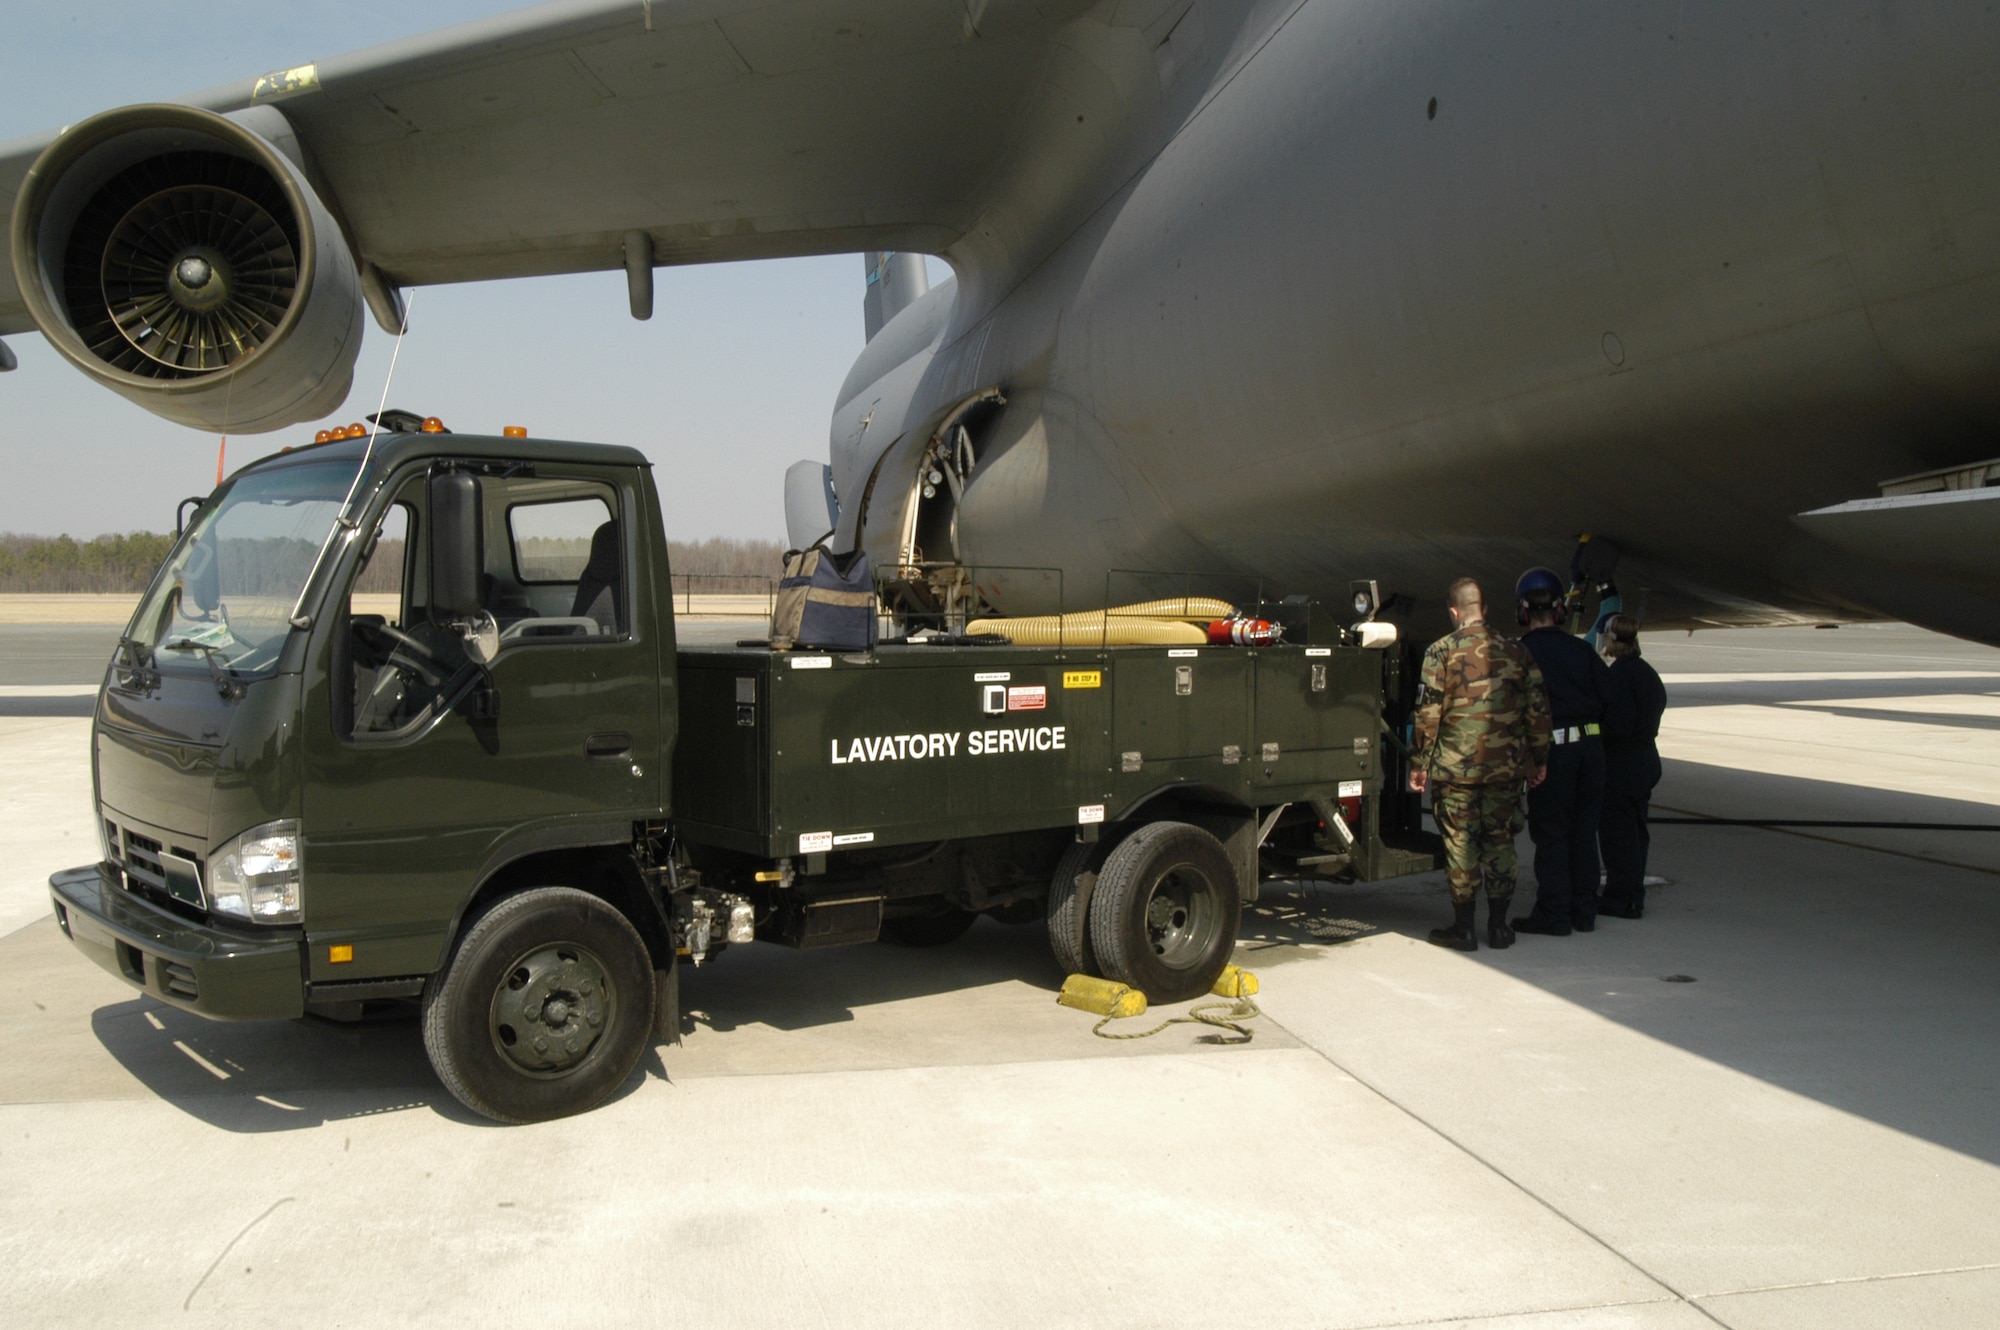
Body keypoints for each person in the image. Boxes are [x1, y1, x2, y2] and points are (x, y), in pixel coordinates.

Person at [1409, 578, 1552, 951]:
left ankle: (1465, 929)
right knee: (1501, 845)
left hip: (1455, 773)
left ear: (1453, 612)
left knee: (1460, 847)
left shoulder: (1441, 651)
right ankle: (1500, 928)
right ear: (1484, 610)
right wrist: (1539, 759)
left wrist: (1419, 763)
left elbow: (1428, 713)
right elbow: (1538, 711)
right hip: (1504, 770)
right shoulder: (1516, 651)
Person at [1512, 567, 1618, 936]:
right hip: (1591, 750)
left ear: (1523, 611)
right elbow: (1611, 699)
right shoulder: (1581, 650)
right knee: (1584, 830)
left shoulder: (1520, 654)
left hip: (1552, 751)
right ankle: (1583, 910)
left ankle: (1554, 913)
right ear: (1560, 610)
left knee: (1552, 833)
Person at [1596, 614, 1668, 917]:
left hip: (1623, 764)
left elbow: (1617, 724)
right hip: (1646, 760)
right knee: (1637, 832)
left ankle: (1621, 897)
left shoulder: (1619, 675)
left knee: (1618, 834)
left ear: (1611, 639)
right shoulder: (1647, 673)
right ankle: (1632, 893)